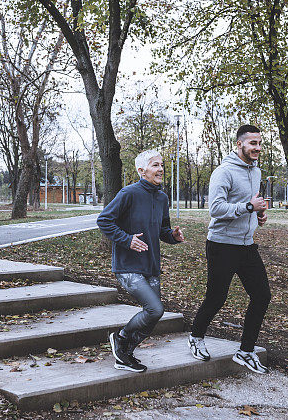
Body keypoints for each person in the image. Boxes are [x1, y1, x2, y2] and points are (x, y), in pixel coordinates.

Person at [188, 124, 271, 374]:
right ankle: (196, 336)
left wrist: (258, 214)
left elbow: (252, 204)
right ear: (239, 145)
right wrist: (248, 207)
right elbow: (215, 209)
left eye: (259, 143)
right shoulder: (223, 172)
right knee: (217, 297)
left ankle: (245, 351)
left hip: (246, 246)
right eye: (252, 143)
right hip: (222, 245)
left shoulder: (256, 172)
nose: (257, 148)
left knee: (262, 296)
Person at [97, 149, 185, 372]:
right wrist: (127, 240)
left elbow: (163, 230)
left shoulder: (162, 197)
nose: (161, 169)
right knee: (154, 309)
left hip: (151, 264)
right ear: (141, 170)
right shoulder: (129, 193)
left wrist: (172, 237)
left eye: (161, 164)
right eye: (155, 165)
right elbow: (104, 220)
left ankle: (124, 354)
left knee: (155, 315)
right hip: (128, 266)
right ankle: (121, 338)